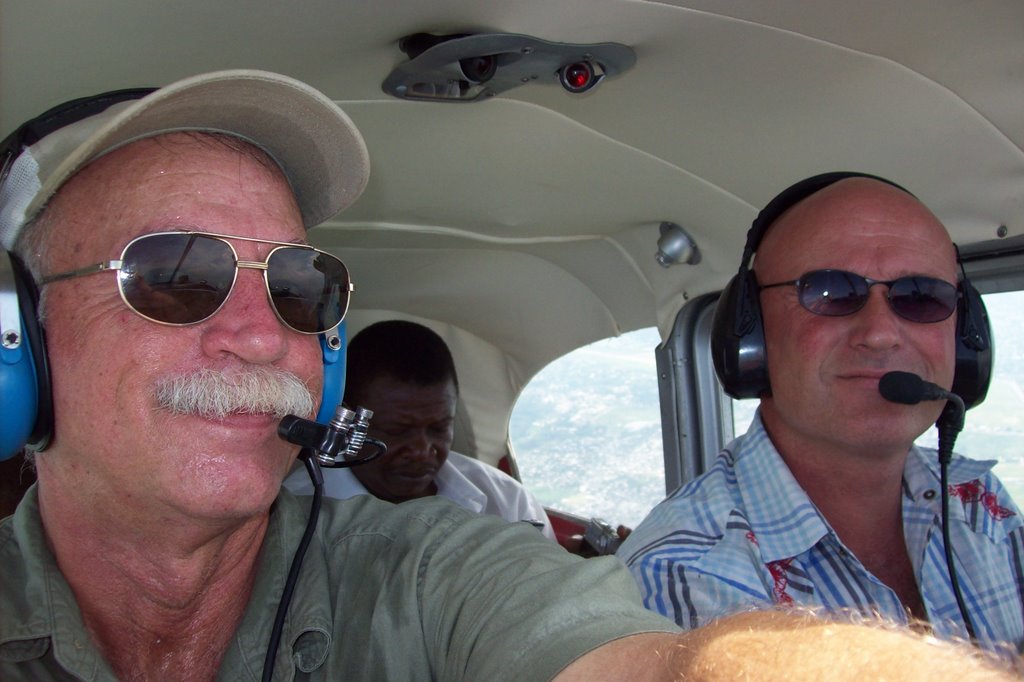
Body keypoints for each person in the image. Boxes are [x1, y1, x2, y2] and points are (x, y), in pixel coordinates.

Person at [0, 73, 1015, 681]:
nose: (261, 336)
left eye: (301, 286)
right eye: (176, 277)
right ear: (19, 338)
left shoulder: (434, 567)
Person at [618, 172, 1024, 657]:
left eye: (920, 296)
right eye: (830, 292)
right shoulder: (686, 576)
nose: (880, 334)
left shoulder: (978, 503)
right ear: (749, 336)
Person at [284, 319, 556, 540]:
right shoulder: (296, 511)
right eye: (398, 430)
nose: (421, 450)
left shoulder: (508, 502)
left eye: (439, 428)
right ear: (346, 418)